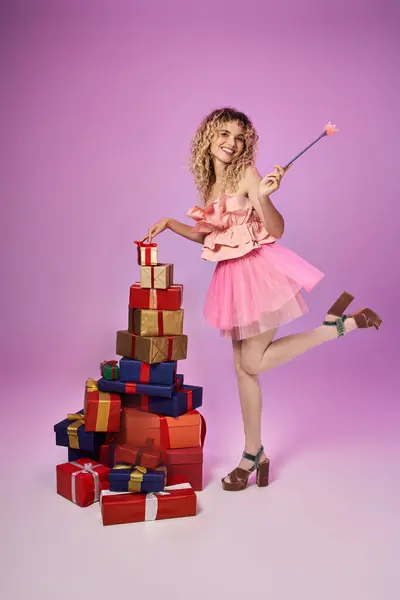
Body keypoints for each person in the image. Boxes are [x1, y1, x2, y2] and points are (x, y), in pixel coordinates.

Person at [140, 107, 382, 492]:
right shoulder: (210, 186)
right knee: (243, 370)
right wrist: (171, 223)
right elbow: (209, 237)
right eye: (224, 134)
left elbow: (276, 229)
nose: (232, 143)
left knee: (252, 361)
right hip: (231, 278)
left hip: (259, 272)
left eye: (239, 137)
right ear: (208, 136)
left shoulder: (248, 175)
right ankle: (254, 454)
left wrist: (265, 198)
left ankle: (337, 327)